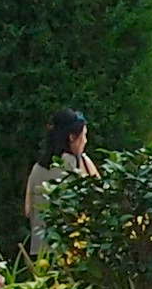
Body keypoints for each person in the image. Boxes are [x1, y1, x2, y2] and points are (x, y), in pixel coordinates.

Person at [23, 109, 97, 258]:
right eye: (84, 135)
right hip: (73, 251)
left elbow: (28, 210)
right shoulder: (81, 163)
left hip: (41, 252)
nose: (85, 141)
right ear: (72, 137)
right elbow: (100, 199)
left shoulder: (37, 168)